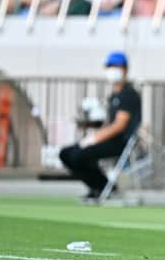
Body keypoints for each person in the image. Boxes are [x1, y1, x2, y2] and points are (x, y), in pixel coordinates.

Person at [59, 51, 142, 201]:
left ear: (125, 69)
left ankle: (103, 187)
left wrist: (93, 139)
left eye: (116, 66)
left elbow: (119, 126)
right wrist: (91, 126)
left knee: (78, 155)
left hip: (120, 142)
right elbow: (109, 123)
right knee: (65, 153)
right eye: (110, 66)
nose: (112, 69)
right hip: (108, 139)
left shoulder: (128, 94)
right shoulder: (113, 96)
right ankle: (99, 186)